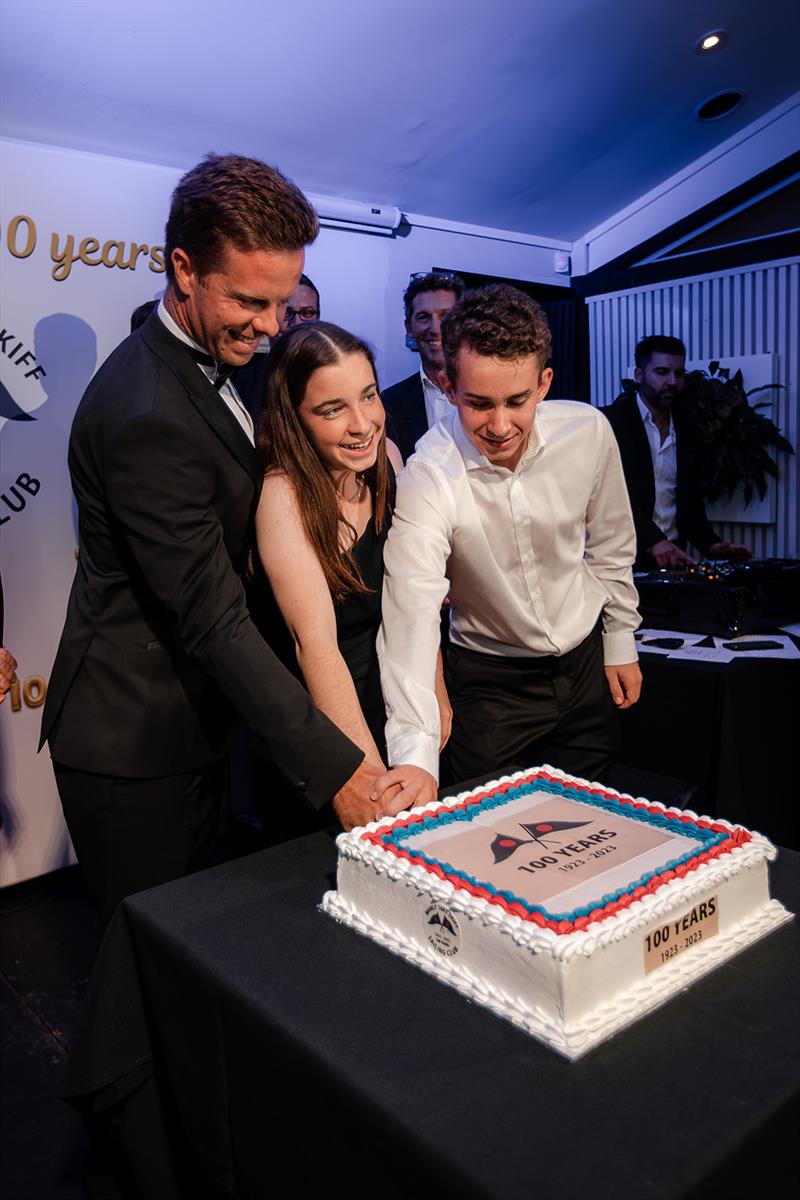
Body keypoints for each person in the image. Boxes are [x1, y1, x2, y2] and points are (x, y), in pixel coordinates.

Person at [40, 154, 387, 927]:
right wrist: (340, 771)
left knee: (196, 963)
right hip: (132, 744)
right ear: (184, 269)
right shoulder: (148, 411)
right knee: (149, 976)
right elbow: (211, 616)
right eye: (250, 302)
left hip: (192, 729)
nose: (270, 327)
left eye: (281, 302)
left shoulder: (205, 365)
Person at [375, 285, 641, 811]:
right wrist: (416, 754)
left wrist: (620, 639)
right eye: (479, 403)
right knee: (489, 837)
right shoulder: (428, 474)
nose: (499, 426)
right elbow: (410, 611)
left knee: (589, 826)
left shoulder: (588, 431)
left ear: (543, 383)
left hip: (585, 667)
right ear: (449, 387)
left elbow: (611, 546)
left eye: (517, 401)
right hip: (490, 686)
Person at [252, 321, 449, 776]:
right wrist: (365, 773)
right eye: (332, 409)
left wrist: (432, 691)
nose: (363, 424)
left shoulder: (389, 460)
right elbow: (314, 645)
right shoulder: (282, 495)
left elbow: (413, 597)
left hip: (394, 705)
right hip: (324, 724)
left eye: (368, 395)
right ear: (293, 416)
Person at [603, 335, 750, 569]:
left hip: (673, 562)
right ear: (639, 375)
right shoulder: (610, 423)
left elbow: (688, 503)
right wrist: (653, 540)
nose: (672, 381)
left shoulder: (688, 428)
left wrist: (711, 545)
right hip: (620, 563)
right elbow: (609, 497)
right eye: (661, 372)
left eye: (679, 373)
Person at [381, 270, 465, 461]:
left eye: (445, 316)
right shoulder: (389, 403)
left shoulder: (487, 391)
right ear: (409, 328)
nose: (435, 329)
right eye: (423, 317)